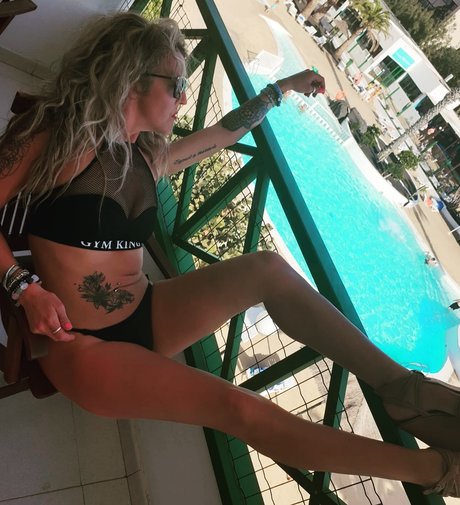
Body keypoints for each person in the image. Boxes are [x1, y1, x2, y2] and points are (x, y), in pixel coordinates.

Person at [0, 11, 459, 498]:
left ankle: (405, 391)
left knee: (266, 268)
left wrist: (280, 89)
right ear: (133, 77)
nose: (183, 98)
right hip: (79, 344)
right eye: (176, 86)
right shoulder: (58, 137)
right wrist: (22, 287)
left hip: (147, 314)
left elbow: (223, 133)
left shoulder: (147, 157)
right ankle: (436, 471)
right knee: (239, 408)